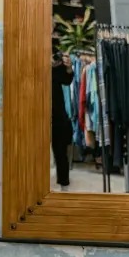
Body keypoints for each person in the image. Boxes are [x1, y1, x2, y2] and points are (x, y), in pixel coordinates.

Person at [52, 49, 74, 191]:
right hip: (35, 109)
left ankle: (64, 185)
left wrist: (68, 67)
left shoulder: (56, 53)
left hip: (57, 110)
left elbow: (66, 80)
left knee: (60, 150)